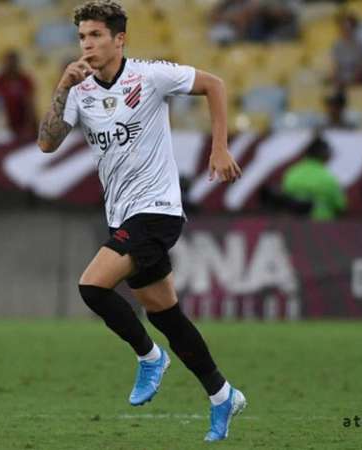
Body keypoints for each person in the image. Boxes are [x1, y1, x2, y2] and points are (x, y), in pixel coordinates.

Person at [36, 1, 245, 442]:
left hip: (158, 209)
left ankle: (151, 358)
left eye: (95, 35)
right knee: (166, 314)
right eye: (82, 37)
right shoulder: (80, 91)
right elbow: (47, 143)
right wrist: (61, 86)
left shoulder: (149, 76)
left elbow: (214, 84)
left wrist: (220, 147)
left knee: (92, 286)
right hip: (121, 214)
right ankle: (222, 394)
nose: (87, 45)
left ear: (119, 39)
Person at [282, 135, 346, 221]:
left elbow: (284, 198)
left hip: (294, 226)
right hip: (323, 226)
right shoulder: (327, 178)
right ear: (324, 155)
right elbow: (340, 205)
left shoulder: (291, 173)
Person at [0, 50, 38, 141]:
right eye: (8, 62)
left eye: (13, 62)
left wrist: (29, 125)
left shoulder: (24, 80)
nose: (11, 65)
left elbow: (29, 103)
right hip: (4, 124)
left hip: (22, 123)